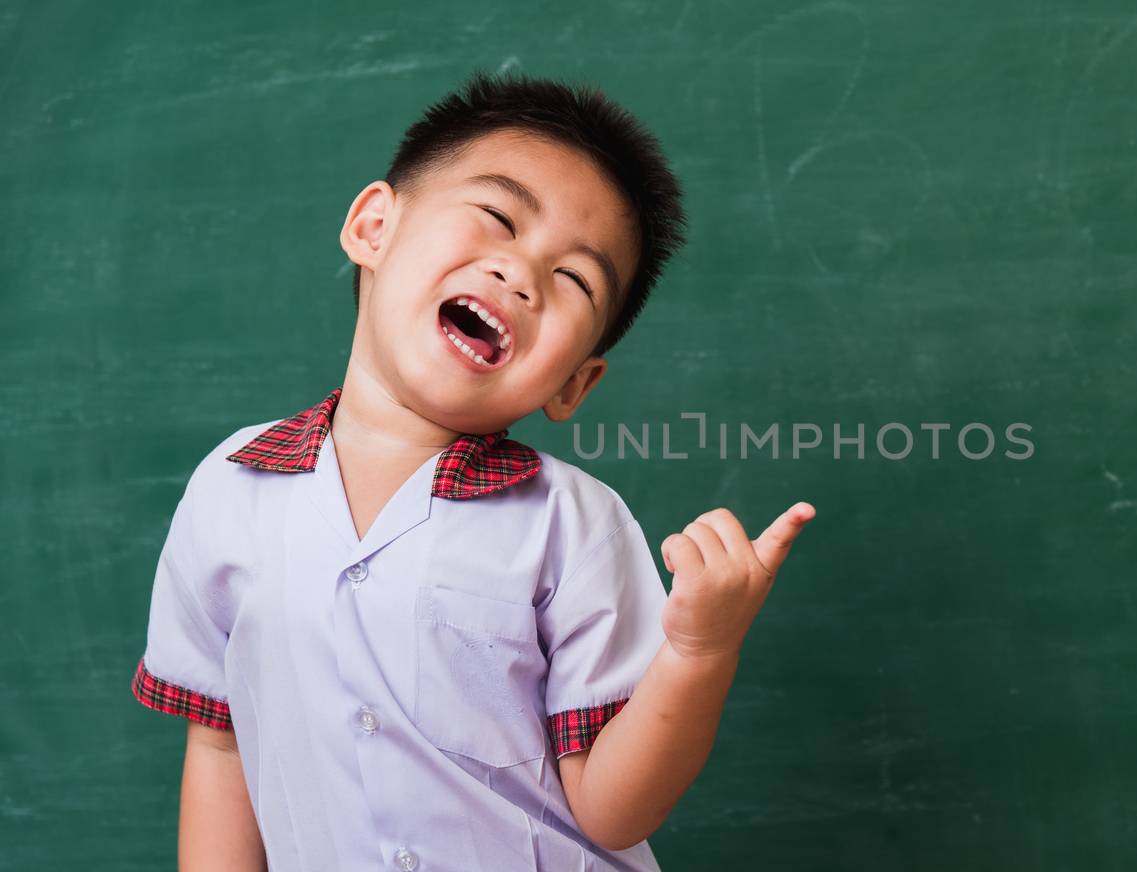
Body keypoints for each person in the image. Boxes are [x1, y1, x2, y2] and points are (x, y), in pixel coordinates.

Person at [131, 70, 815, 871]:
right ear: (374, 226)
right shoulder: (232, 489)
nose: (520, 275)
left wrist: (701, 654)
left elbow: (614, 807)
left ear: (574, 383)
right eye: (497, 218)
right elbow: (220, 748)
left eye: (573, 280)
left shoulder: (573, 524)